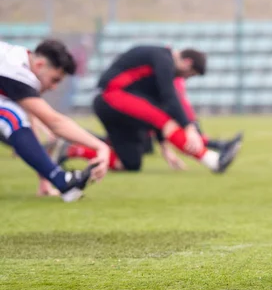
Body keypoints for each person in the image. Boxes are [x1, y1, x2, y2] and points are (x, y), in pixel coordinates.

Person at [56, 45, 241, 173]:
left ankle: (72, 149)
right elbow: (169, 97)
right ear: (187, 62)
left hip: (114, 104)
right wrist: (189, 127)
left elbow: (158, 103)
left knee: (130, 164)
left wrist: (163, 145)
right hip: (111, 96)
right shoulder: (163, 58)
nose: (185, 78)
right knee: (164, 120)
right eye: (189, 74)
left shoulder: (161, 61)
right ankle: (212, 160)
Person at [0, 39, 109, 202]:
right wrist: (101, 146)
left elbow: (29, 130)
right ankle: (63, 181)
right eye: (55, 79)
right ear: (40, 65)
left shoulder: (16, 62)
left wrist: (46, 178)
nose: (53, 87)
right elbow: (55, 123)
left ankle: (60, 180)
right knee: (10, 115)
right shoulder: (16, 71)